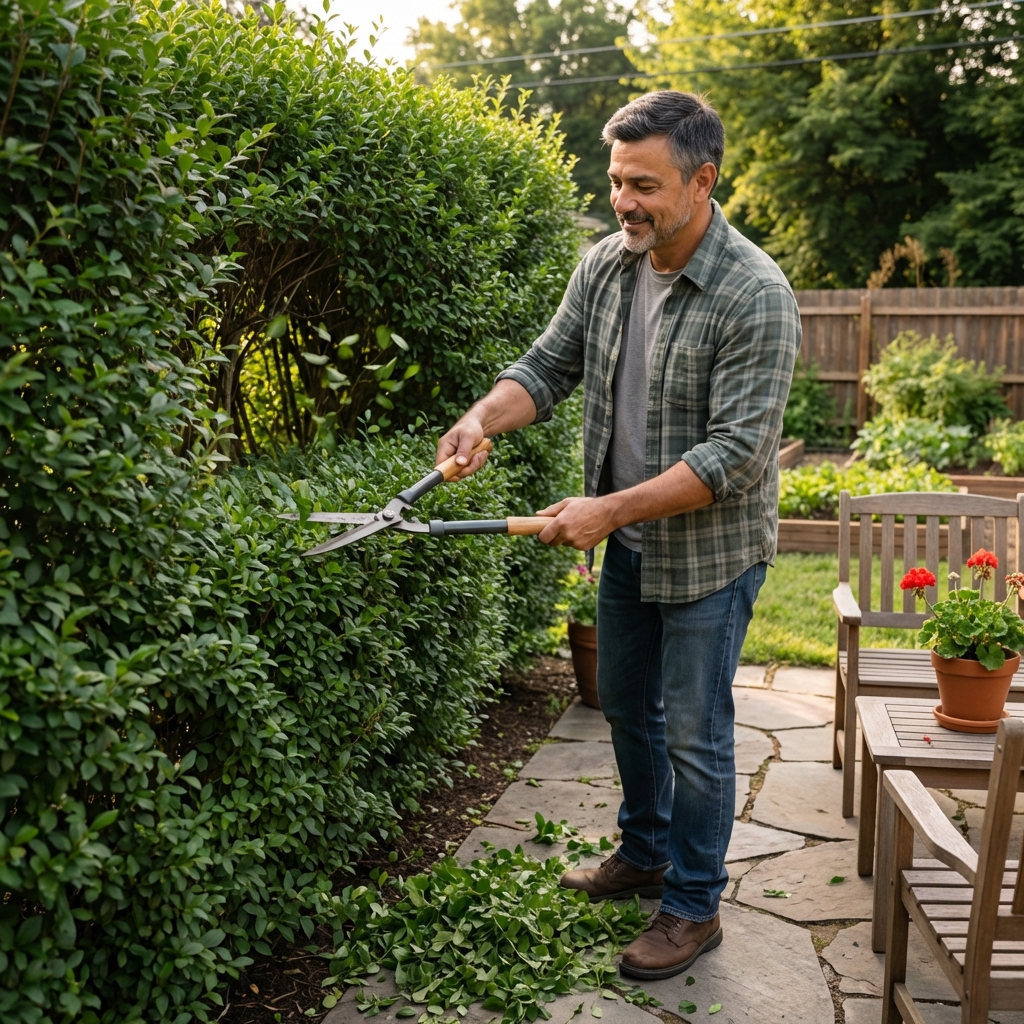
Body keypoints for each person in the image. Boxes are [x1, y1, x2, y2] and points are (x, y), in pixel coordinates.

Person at [435, 90, 801, 980]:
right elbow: (547, 365)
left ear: (702, 180)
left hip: (711, 556)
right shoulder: (607, 265)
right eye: (614, 181)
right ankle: (643, 853)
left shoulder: (756, 294)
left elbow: (734, 458)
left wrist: (606, 511)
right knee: (626, 711)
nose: (623, 202)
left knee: (695, 731)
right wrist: (483, 419)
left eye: (644, 183)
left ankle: (692, 905)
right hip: (630, 544)